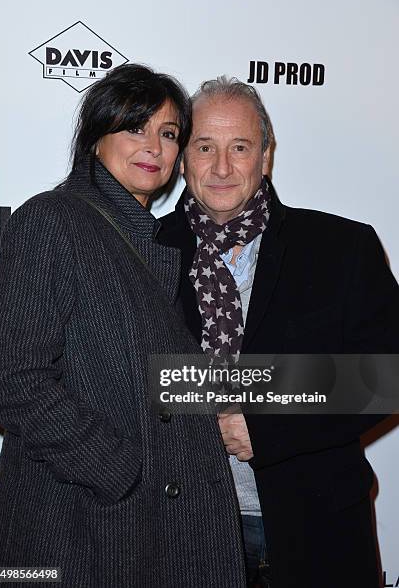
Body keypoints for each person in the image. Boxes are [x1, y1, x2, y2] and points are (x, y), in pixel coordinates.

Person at [0, 65, 247, 587]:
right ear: (96, 138)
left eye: (169, 133)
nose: (152, 145)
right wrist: (120, 470)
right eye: (135, 127)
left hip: (137, 525)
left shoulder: (157, 242)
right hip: (75, 524)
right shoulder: (53, 218)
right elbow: (11, 378)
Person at [158, 76, 399, 588]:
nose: (221, 167)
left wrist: (265, 425)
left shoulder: (341, 248)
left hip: (315, 532)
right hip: (181, 535)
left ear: (265, 156)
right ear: (182, 159)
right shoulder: (147, 252)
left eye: (240, 147)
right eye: (204, 147)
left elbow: (387, 376)